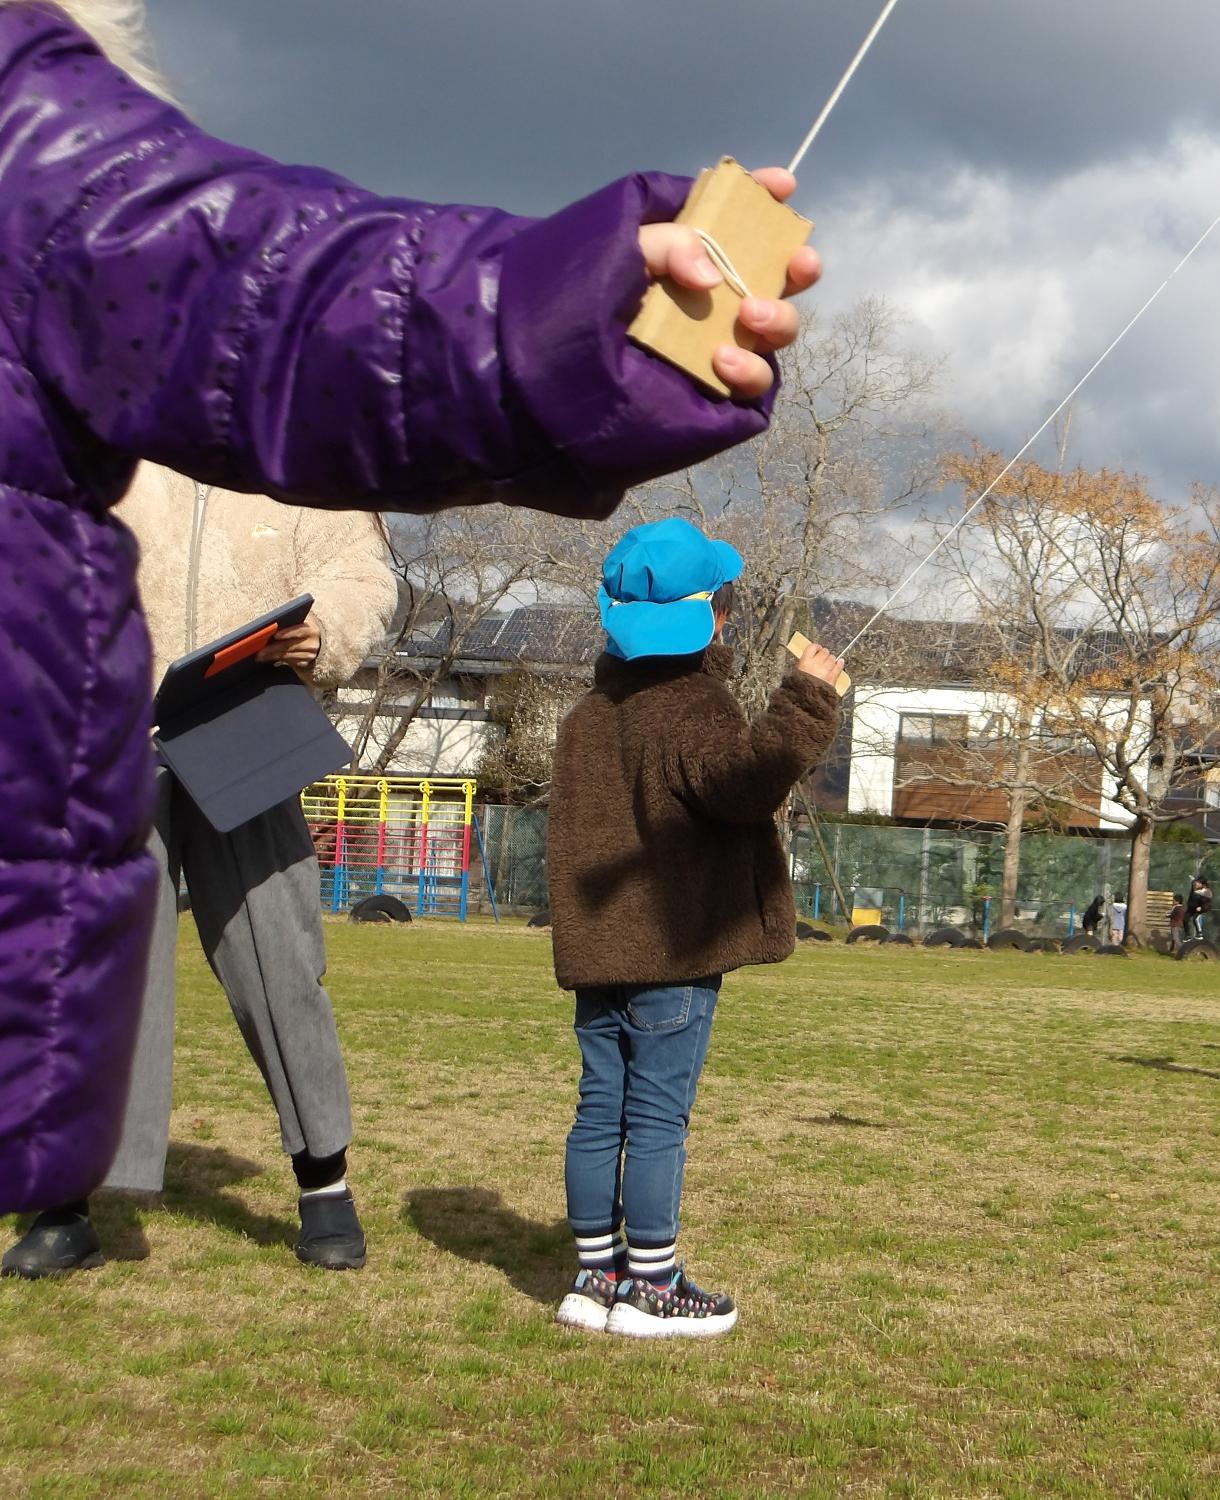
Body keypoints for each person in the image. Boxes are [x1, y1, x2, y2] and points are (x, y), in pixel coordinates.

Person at [0, 4, 821, 1217]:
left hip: (236, 722)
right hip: (109, 725)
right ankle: (83, 1202)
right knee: (123, 978)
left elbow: (281, 307)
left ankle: (319, 1177)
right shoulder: (660, 706)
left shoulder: (63, 186)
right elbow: (741, 777)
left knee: (280, 960)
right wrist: (810, 701)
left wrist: (559, 322)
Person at [3, 466, 395, 1278]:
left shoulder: (299, 458)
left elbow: (360, 574)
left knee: (281, 970)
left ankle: (326, 1187)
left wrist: (324, 630)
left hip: (249, 737)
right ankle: (66, 1206)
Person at [546, 519, 843, 1338]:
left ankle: (593, 1279)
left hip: (600, 953)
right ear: (709, 615)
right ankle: (653, 1287)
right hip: (672, 957)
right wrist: (810, 696)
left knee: (600, 1109)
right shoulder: (692, 706)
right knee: (657, 1119)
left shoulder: (583, 718)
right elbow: (743, 784)